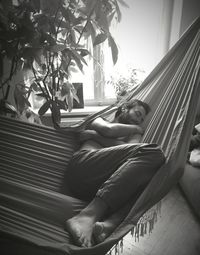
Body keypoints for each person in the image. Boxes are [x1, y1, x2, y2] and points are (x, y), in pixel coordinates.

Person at [64, 99, 165, 248]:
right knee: (154, 153)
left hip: (98, 187)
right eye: (137, 114)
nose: (138, 120)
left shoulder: (133, 134)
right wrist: (136, 129)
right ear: (124, 108)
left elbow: (130, 147)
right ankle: (87, 216)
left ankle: (108, 224)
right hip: (82, 166)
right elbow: (108, 130)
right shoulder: (102, 118)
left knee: (151, 174)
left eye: (141, 119)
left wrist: (94, 136)